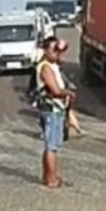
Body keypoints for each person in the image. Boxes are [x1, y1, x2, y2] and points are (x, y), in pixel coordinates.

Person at [35, 36, 74, 188]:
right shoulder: (45, 67)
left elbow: (64, 47)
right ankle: (52, 179)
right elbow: (55, 90)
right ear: (45, 50)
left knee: (50, 146)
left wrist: (61, 45)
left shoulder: (52, 64)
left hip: (54, 109)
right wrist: (69, 94)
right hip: (51, 109)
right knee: (52, 146)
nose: (57, 53)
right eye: (54, 50)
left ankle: (48, 176)